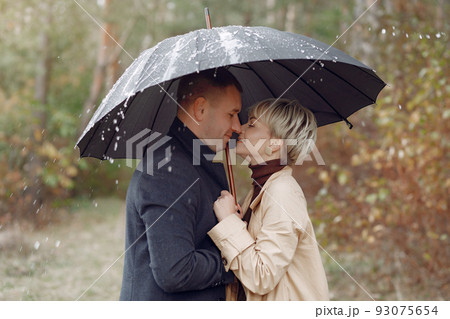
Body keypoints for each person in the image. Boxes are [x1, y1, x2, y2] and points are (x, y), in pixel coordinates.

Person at [120, 68, 242, 300]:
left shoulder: (199, 161)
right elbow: (175, 271)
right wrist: (237, 255)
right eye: (231, 114)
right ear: (200, 109)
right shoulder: (166, 170)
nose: (237, 126)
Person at [208, 98, 329, 301]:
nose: (240, 127)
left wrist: (229, 223)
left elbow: (262, 277)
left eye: (252, 124)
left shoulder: (283, 192)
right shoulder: (259, 191)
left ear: (274, 144)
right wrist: (237, 223)